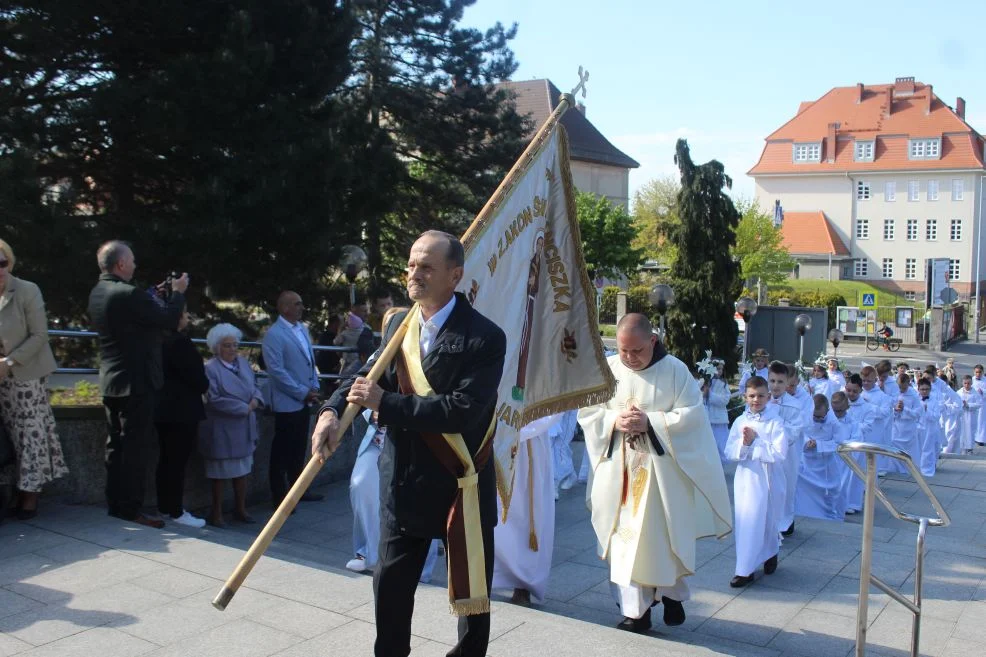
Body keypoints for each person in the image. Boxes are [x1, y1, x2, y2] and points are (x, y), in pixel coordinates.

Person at [311, 230, 506, 657]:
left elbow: (461, 410)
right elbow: (366, 375)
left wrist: (387, 403)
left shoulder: (486, 337)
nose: (414, 274)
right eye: (412, 265)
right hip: (404, 481)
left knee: (472, 605)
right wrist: (330, 409)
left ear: (454, 275)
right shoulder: (401, 323)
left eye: (427, 267)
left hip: (460, 483)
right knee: (391, 593)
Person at [579, 313, 731, 631]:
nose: (631, 358)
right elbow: (589, 413)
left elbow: (692, 416)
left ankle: (672, 596)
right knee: (624, 544)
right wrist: (613, 422)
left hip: (662, 476)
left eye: (637, 350)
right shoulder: (608, 370)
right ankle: (637, 613)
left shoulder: (675, 371)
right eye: (624, 351)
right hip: (620, 472)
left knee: (661, 542)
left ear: (653, 340)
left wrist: (652, 423)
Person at [88, 240, 187, 528]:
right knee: (135, 448)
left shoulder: (100, 291)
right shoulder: (129, 295)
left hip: (111, 380)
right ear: (120, 264)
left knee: (115, 445)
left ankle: (116, 503)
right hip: (138, 383)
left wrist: (150, 297)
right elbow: (169, 320)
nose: (135, 265)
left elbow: (130, 321)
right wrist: (178, 293)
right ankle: (131, 509)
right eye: (131, 260)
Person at [0, 239, 67, 520]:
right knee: (7, 437)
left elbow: (40, 335)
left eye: (3, 263)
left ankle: (30, 496)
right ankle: (12, 491)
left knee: (30, 436)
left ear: (10, 263)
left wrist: (10, 361)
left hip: (25, 376)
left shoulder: (27, 290)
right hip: (1, 381)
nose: (0, 269)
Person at [347, 408, 443, 582]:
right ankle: (367, 553)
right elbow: (365, 388)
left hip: (420, 443)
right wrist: (372, 412)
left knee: (423, 498)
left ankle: (422, 567)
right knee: (360, 483)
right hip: (379, 440)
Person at [262, 291, 323, 507]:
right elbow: (277, 371)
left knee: (299, 448)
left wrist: (314, 386)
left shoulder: (302, 329)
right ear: (284, 308)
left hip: (304, 400)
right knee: (282, 451)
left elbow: (309, 360)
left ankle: (299, 490)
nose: (301, 307)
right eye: (297, 304)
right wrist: (301, 391)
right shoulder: (274, 335)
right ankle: (279, 496)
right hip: (288, 403)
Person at [725, 376, 787, 587]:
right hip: (746, 480)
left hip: (769, 478)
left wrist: (756, 442)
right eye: (752, 396)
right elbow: (729, 452)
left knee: (767, 519)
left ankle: (771, 551)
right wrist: (744, 444)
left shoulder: (775, 422)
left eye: (761, 395)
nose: (756, 400)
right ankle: (745, 569)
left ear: (768, 397)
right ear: (745, 397)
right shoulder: (740, 421)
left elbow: (780, 453)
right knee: (747, 521)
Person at [201, 324, 264, 527]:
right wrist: (242, 408)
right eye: (227, 345)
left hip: (244, 427)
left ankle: (240, 508)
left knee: (243, 471)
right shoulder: (210, 368)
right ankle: (216, 512)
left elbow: (255, 386)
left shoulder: (243, 364)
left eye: (235, 345)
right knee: (219, 473)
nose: (232, 349)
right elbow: (214, 398)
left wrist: (255, 401)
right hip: (223, 427)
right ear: (217, 348)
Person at [493, 414, 557, 606]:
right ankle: (491, 573)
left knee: (528, 514)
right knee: (494, 513)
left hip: (530, 443)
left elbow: (554, 403)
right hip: (496, 438)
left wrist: (520, 427)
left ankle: (523, 582)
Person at [153, 303, 208, 528]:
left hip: (161, 408)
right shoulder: (180, 343)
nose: (187, 317)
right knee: (176, 461)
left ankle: (164, 506)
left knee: (165, 460)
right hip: (182, 411)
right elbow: (198, 378)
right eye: (184, 313)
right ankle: (175, 509)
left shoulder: (156, 340)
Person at [767, 361, 806, 537]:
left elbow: (793, 431)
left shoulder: (794, 405)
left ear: (787, 383)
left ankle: (785, 521)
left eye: (780, 382)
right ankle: (767, 521)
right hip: (764, 454)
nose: (775, 386)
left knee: (786, 487)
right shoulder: (761, 400)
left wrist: (776, 420)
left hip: (786, 456)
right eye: (772, 381)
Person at [796, 394, 848, 521]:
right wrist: (807, 442)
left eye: (821, 417)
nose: (818, 419)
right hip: (807, 460)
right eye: (815, 416)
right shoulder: (804, 417)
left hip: (826, 462)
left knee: (833, 489)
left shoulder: (834, 423)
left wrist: (819, 445)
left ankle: (827, 514)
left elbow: (839, 442)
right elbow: (798, 434)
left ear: (827, 411)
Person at [843, 375, 876, 514]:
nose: (850, 394)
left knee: (855, 474)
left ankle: (852, 503)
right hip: (842, 442)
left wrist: (851, 425)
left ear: (860, 391)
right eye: (848, 390)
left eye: (854, 391)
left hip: (857, 445)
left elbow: (868, 426)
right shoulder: (841, 402)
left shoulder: (868, 407)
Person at [860, 365, 894, 476]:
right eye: (863, 380)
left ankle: (871, 487)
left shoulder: (882, 396)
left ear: (875, 380)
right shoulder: (858, 392)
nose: (865, 383)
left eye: (868, 381)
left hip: (873, 432)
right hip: (859, 431)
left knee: (871, 461)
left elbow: (885, 413)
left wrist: (868, 405)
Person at [887, 373, 922, 476]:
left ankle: (909, 469)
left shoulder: (914, 396)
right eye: (899, 386)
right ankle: (896, 469)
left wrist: (905, 409)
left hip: (909, 427)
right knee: (894, 446)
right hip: (897, 426)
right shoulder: (895, 394)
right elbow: (889, 410)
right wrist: (896, 410)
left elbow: (917, 413)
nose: (901, 389)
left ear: (908, 383)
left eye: (903, 387)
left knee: (910, 450)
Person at [705, 359, 731, 460]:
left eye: (721, 369)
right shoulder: (706, 382)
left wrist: (710, 395)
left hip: (719, 419)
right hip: (707, 418)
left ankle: (721, 464)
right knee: (708, 444)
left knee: (720, 443)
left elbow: (725, 400)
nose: (719, 371)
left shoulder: (723, 384)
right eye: (717, 368)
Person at [951, 375, 981, 454]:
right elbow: (955, 402)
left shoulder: (975, 393)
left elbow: (979, 404)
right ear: (962, 383)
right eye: (965, 383)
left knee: (970, 431)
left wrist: (968, 405)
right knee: (962, 431)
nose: (967, 385)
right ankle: (962, 447)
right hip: (962, 415)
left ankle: (970, 448)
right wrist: (960, 404)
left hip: (971, 415)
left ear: (971, 383)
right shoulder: (959, 392)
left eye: (968, 383)